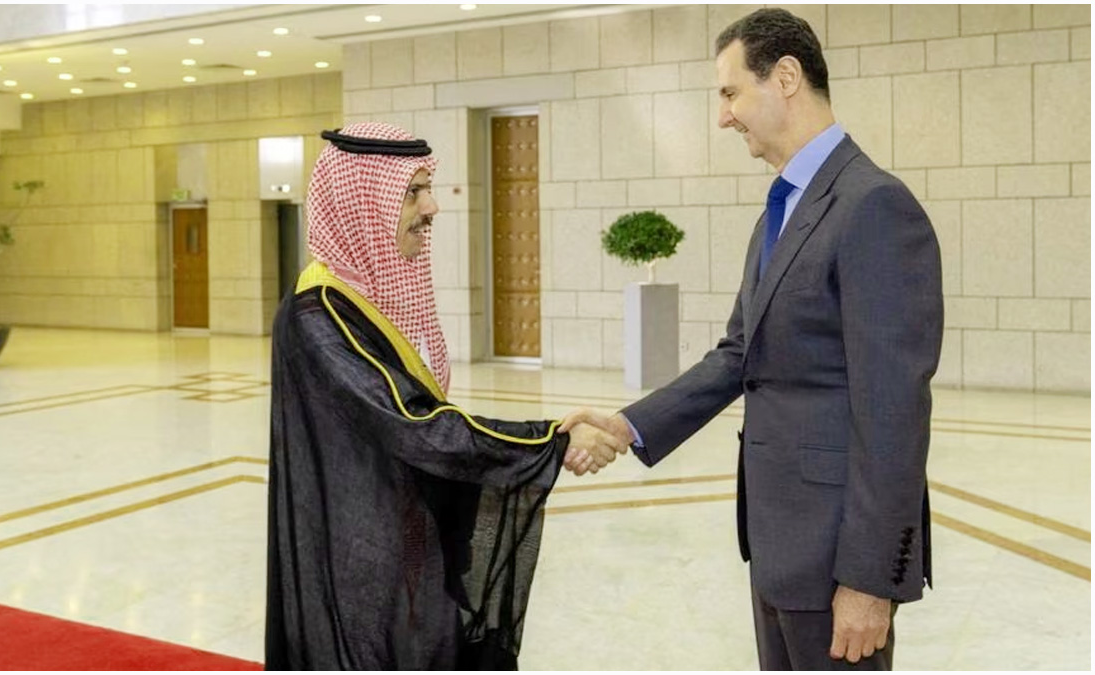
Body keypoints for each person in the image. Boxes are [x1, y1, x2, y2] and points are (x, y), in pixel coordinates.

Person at [562, 9, 943, 670]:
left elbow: (894, 414)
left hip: (837, 560)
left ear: (786, 77)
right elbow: (740, 354)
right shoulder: (784, 207)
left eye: (731, 92)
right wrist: (627, 425)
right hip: (777, 544)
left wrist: (869, 579)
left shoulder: (873, 205)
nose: (723, 117)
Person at [265, 122, 622, 670]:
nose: (432, 207)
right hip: (357, 563)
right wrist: (549, 441)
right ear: (363, 203)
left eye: (428, 189)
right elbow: (414, 423)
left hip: (404, 540)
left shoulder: (369, 298)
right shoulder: (320, 314)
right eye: (414, 192)